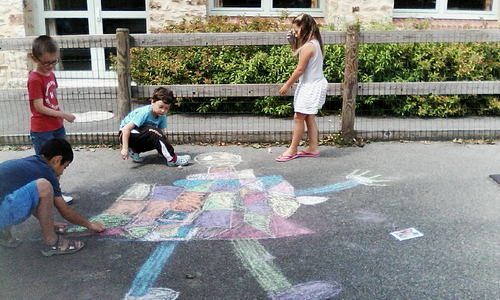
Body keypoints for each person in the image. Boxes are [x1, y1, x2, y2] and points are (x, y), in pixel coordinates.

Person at [0, 138, 106, 256]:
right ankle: (52, 243)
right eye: (64, 167)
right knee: (44, 187)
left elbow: (29, 199)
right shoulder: (46, 172)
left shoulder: (32, 163)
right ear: (57, 160)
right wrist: (89, 224)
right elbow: (65, 211)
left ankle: (3, 234)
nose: (61, 172)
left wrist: (49, 222)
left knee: (28, 190)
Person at [28, 35, 76, 202]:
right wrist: (64, 115)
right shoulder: (34, 79)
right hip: (42, 130)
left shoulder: (50, 75)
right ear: (34, 59)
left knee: (59, 163)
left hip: (56, 126)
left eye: (54, 62)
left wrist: (60, 117)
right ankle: (47, 195)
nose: (50, 66)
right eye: (46, 63)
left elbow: (52, 100)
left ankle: (56, 193)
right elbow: (39, 107)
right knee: (46, 165)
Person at [276, 14, 328, 162]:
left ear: (304, 29)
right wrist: (294, 44)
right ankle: (313, 148)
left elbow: (299, 70)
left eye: (297, 31)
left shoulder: (308, 46)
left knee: (298, 117)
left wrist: (287, 85)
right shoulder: (315, 43)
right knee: (309, 117)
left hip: (310, 86)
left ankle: (292, 150)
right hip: (314, 84)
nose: (296, 34)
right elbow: (302, 58)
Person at [119, 87, 191, 166]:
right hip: (126, 135)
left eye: (166, 108)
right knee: (153, 132)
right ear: (152, 102)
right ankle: (172, 159)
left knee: (157, 135)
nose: (163, 110)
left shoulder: (162, 116)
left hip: (140, 135)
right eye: (160, 107)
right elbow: (126, 129)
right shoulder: (144, 113)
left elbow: (161, 134)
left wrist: (161, 150)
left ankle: (134, 150)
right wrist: (124, 148)